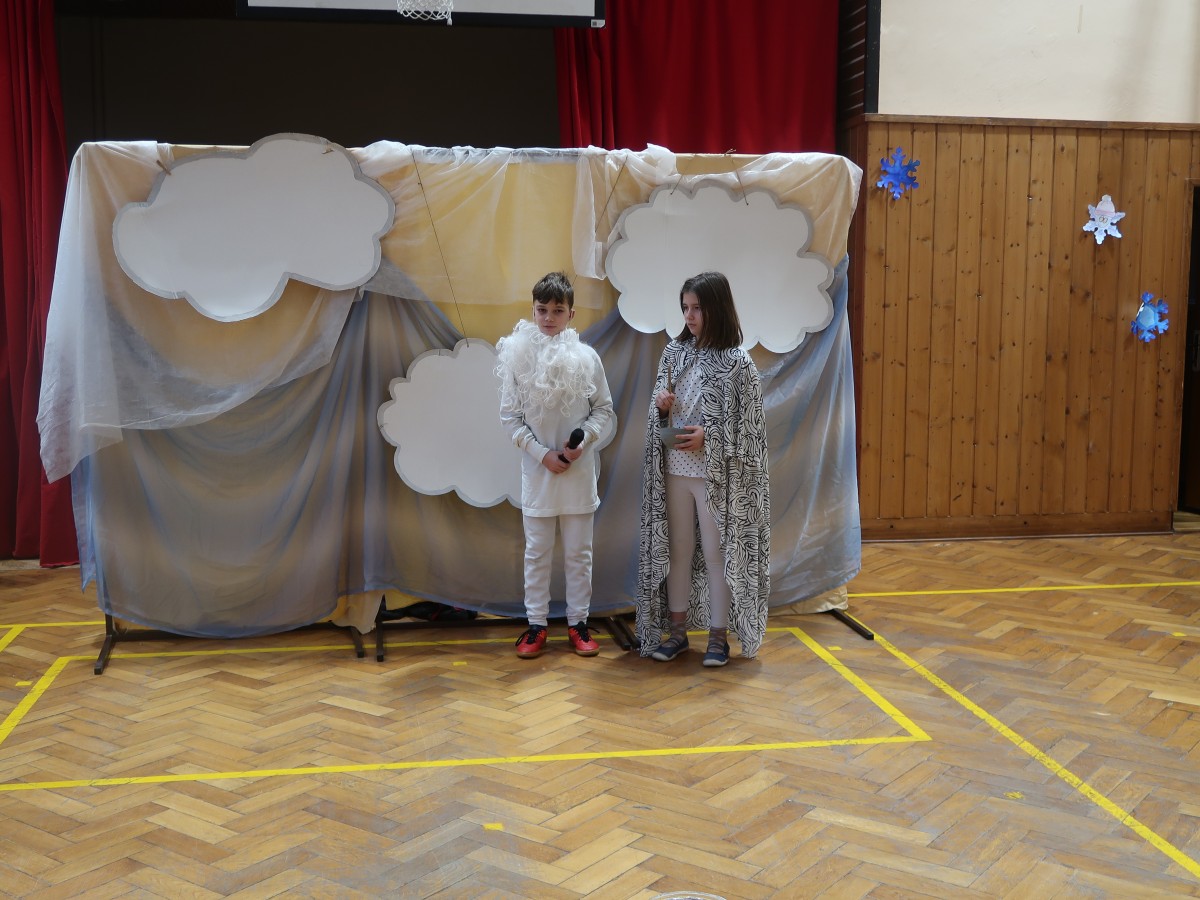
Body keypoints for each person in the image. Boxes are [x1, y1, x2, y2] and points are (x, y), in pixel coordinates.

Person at [636, 271, 771, 666]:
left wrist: (709, 437)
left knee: (716, 553)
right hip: (674, 469)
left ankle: (718, 638)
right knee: (677, 550)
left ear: (717, 308)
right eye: (685, 308)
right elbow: (657, 409)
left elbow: (752, 431)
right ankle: (677, 634)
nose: (689, 316)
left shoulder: (738, 363)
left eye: (697, 308)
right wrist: (661, 407)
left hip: (716, 477)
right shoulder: (673, 353)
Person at [497, 271, 615, 659]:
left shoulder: (587, 358)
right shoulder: (516, 356)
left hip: (579, 475)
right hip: (538, 475)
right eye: (542, 310)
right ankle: (537, 625)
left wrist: (584, 440)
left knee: (580, 554)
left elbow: (604, 410)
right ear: (533, 311)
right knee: (537, 554)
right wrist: (542, 454)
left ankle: (578, 624)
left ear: (571, 314)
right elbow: (510, 418)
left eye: (557, 310)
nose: (549, 317)